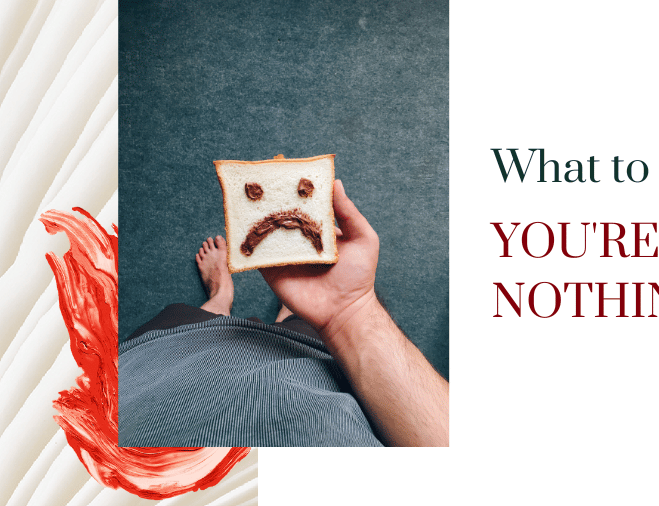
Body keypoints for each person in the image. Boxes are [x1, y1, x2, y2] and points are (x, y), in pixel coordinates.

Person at [118, 180, 449, 447]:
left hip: (154, 378)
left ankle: (220, 300)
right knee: (301, 329)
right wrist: (350, 311)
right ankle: (281, 312)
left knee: (196, 323)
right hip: (310, 371)